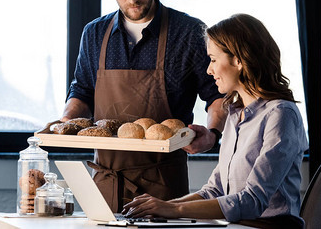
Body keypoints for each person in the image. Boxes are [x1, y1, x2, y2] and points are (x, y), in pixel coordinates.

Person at [60, 0, 227, 212]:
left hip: (164, 185)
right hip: (105, 182)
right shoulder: (94, 34)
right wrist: (66, 121)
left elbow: (217, 95)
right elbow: (82, 92)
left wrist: (212, 134)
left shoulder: (187, 32)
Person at [122, 13, 309, 228]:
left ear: (238, 60)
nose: (209, 70)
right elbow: (215, 190)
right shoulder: (234, 112)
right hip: (236, 225)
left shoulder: (281, 114)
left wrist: (172, 210)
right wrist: (161, 208)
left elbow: (252, 201)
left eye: (212, 59)